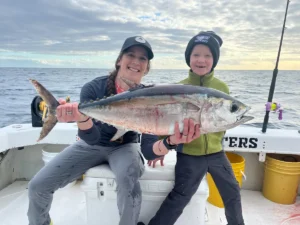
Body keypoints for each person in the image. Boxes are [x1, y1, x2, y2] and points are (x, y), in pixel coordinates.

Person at [27, 36, 157, 225]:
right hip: (89, 145)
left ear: (146, 68)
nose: (136, 61)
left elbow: (149, 140)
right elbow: (92, 137)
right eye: (131, 55)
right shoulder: (94, 88)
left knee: (129, 183)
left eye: (143, 58)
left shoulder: (148, 96)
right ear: (120, 59)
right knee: (37, 186)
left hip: (125, 146)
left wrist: (168, 143)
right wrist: (82, 117)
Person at [144, 31, 245, 225]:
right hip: (188, 154)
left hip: (216, 153)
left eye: (208, 55)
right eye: (196, 54)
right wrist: (161, 147)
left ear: (214, 60)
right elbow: (166, 119)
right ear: (188, 58)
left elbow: (223, 121)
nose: (201, 60)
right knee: (180, 197)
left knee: (232, 193)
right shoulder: (177, 88)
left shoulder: (221, 88)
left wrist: (217, 139)